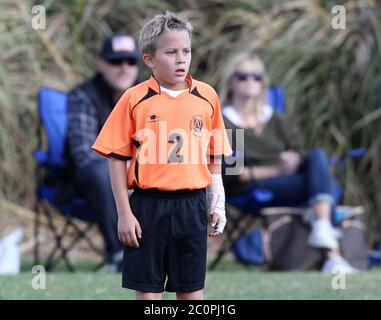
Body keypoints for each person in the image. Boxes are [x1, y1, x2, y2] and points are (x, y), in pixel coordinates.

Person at [91, 11, 232, 300]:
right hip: (147, 208)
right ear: (150, 60)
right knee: (147, 293)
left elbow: (215, 151)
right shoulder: (134, 99)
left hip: (192, 206)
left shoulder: (207, 96)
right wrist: (124, 214)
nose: (181, 59)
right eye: (170, 52)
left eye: (186, 51)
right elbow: (116, 159)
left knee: (192, 291)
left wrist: (216, 195)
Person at [219, 52, 357, 273]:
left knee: (317, 157)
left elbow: (301, 153)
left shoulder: (274, 118)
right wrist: (277, 168)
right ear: (231, 82)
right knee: (323, 187)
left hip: (288, 180)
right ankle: (332, 254)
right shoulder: (225, 121)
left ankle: (325, 237)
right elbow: (233, 173)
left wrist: (293, 160)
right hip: (251, 188)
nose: (251, 81)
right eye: (243, 76)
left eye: (257, 77)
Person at [67, 33, 140, 271]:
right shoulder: (83, 96)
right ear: (101, 64)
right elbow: (83, 153)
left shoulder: (148, 96)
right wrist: (124, 172)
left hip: (140, 176)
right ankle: (120, 254)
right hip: (86, 182)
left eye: (130, 61)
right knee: (100, 171)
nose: (124, 68)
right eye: (116, 62)